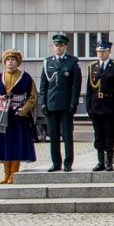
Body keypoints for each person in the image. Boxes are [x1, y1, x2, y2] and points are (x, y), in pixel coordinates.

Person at [0, 49, 37, 184]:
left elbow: (32, 97)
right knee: (3, 144)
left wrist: (24, 110)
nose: (10, 62)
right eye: (8, 60)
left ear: (17, 62)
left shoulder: (25, 77)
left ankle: (14, 173)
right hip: (2, 116)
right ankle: (6, 173)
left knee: (16, 143)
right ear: (4, 62)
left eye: (13, 59)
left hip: (18, 116)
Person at [39, 34, 81, 172]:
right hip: (51, 103)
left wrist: (74, 103)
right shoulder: (47, 62)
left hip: (66, 104)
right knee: (53, 135)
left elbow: (76, 85)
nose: (58, 48)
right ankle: (56, 162)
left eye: (61, 45)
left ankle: (68, 162)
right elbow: (43, 86)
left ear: (65, 46)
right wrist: (43, 103)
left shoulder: (72, 61)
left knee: (67, 134)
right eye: (56, 45)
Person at [85, 39, 114, 172]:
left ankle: (109, 162)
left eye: (103, 51)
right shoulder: (92, 67)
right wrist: (88, 107)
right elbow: (89, 89)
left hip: (109, 105)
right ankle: (100, 161)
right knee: (98, 135)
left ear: (109, 52)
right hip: (96, 105)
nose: (100, 54)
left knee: (109, 135)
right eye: (98, 51)